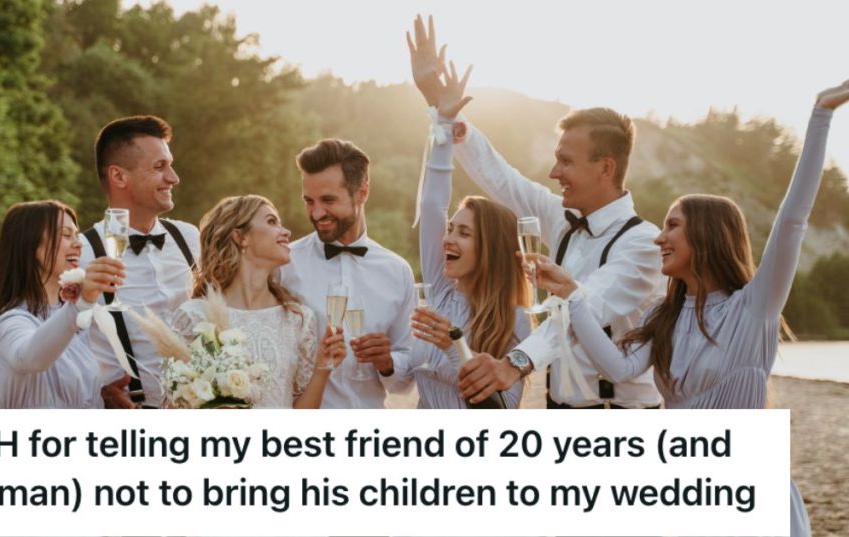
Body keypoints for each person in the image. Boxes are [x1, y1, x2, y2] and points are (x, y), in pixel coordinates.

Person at [531, 79, 849, 537]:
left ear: (707, 235)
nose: (659, 237)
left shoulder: (753, 309)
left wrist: (821, 114)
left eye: (672, 226)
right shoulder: (666, 316)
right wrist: (573, 296)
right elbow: (618, 368)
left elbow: (794, 218)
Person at [408, 17, 664, 409]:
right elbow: (500, 178)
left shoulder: (642, 244)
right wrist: (444, 113)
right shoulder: (559, 218)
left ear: (605, 168)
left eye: (566, 161)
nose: (553, 172)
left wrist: (515, 363)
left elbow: (584, 307)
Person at [409, 65, 532, 408]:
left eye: (464, 233)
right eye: (451, 229)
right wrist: (444, 125)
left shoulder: (515, 318)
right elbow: (432, 205)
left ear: (489, 249)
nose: (448, 239)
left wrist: (454, 345)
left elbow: (501, 409)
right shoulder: (441, 290)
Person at [170, 195, 346, 408]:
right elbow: (176, 406)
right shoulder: (195, 316)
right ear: (240, 237)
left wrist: (322, 367)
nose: (286, 232)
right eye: (272, 222)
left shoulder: (298, 318)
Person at [279, 138, 416, 409]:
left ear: (362, 192)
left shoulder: (397, 271)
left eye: (328, 200)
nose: (317, 213)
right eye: (309, 201)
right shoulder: (283, 264)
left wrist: (388, 362)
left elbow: (406, 381)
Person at [80, 115, 200, 409]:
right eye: (160, 167)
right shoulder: (82, 251)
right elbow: (65, 347)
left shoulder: (190, 238)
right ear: (119, 176)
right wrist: (99, 393)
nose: (174, 177)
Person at [0, 201, 125, 408]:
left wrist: (102, 401)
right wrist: (81, 303)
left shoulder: (69, 317)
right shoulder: (8, 322)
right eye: (66, 234)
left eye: (76, 234)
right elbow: (31, 357)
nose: (79, 243)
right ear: (32, 245)